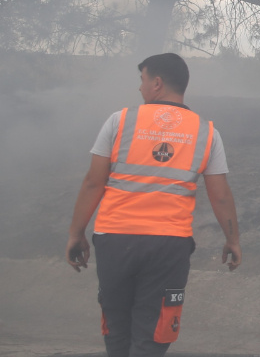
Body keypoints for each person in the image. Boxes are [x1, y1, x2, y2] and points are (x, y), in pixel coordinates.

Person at [66, 53, 241, 357]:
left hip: (114, 241)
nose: (140, 88)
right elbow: (221, 194)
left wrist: (76, 233)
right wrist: (233, 240)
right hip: (168, 245)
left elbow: (93, 182)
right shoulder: (206, 132)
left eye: (143, 80)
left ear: (157, 83)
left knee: (116, 329)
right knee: (154, 333)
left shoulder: (120, 120)